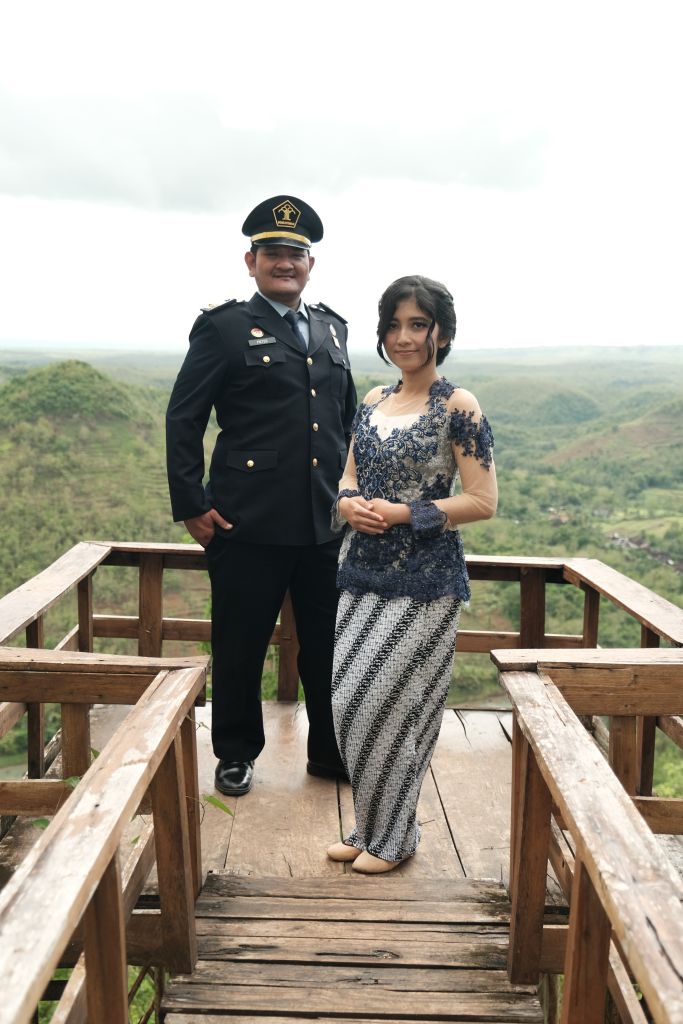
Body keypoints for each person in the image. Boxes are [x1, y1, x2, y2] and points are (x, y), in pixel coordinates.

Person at [166, 195, 357, 797]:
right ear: (251, 261)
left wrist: (352, 496)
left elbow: (346, 422)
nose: (285, 263)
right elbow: (184, 418)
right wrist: (191, 504)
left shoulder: (332, 328)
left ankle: (329, 751)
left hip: (324, 523)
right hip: (245, 522)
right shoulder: (222, 328)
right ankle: (235, 752)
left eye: (295, 254)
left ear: (310, 265)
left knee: (328, 647)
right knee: (241, 644)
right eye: (272, 253)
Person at [326, 275, 497, 873]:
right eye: (394, 325)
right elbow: (348, 476)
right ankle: (368, 828)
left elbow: (483, 501)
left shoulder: (458, 405)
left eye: (417, 325)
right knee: (349, 704)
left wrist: (404, 513)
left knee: (395, 708)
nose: (404, 336)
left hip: (425, 582)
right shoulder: (373, 399)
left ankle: (395, 838)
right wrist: (347, 504)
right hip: (360, 572)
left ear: (440, 334)